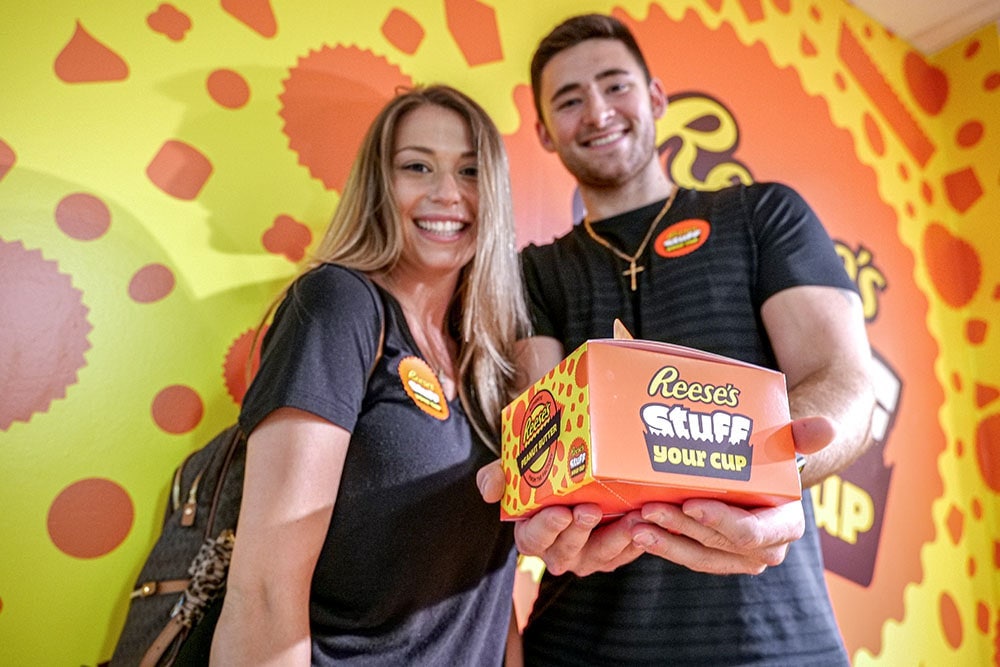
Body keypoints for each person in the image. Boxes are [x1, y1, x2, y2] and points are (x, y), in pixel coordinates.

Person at [476, 13, 875, 666]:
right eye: (569, 101)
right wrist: (542, 494)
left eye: (615, 85)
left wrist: (773, 468)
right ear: (545, 132)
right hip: (581, 644)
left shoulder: (760, 216)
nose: (598, 112)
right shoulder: (533, 274)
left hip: (775, 641)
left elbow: (843, 379)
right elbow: (542, 419)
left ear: (657, 97)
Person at [210, 84, 530, 665]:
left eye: (469, 170)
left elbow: (487, 588)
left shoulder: (488, 357)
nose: (446, 193)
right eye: (417, 167)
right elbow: (264, 593)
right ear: (380, 184)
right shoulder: (338, 306)